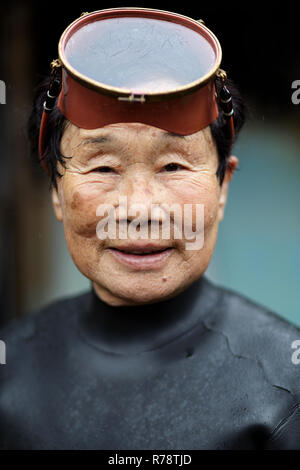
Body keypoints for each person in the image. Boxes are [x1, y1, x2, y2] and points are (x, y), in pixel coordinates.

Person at [0, 7, 300, 450]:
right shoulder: (10, 371)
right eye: (103, 167)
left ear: (223, 185)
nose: (139, 207)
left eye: (174, 165)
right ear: (56, 192)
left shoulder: (286, 388)